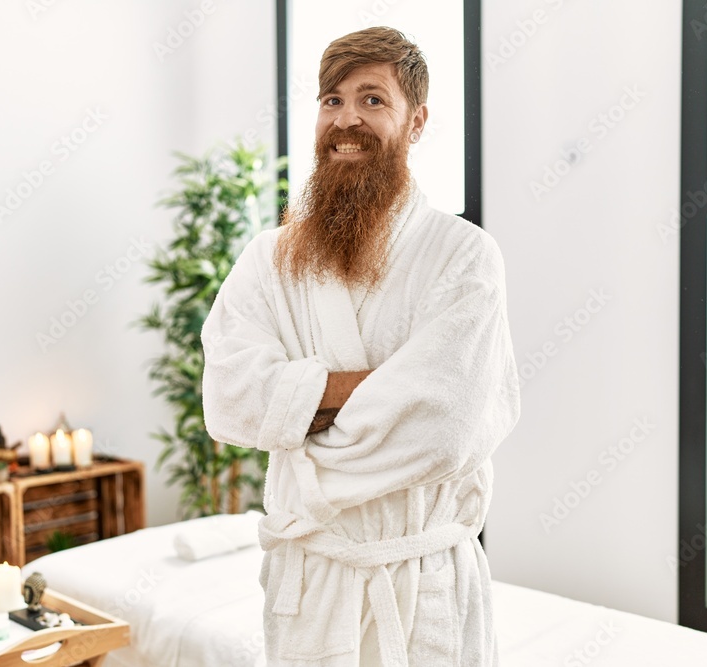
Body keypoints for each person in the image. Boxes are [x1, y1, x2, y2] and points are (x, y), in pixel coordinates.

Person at [201, 26, 520, 666]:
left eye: (373, 100)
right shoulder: (267, 259)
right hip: (313, 585)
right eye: (331, 100)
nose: (347, 119)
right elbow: (230, 401)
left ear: (416, 121)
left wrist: (294, 416)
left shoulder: (462, 257)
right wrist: (373, 388)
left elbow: (441, 428)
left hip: (420, 581)